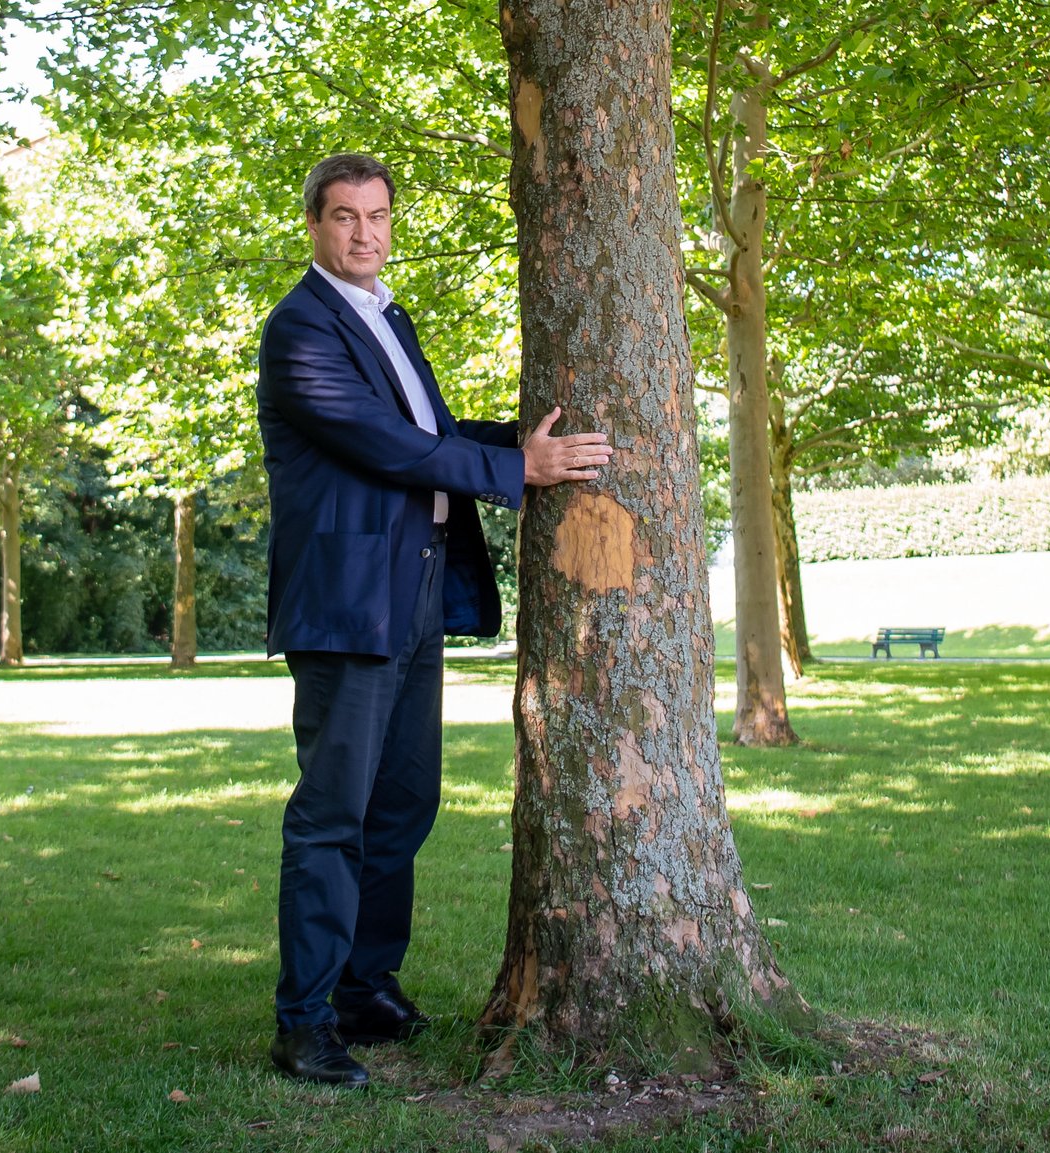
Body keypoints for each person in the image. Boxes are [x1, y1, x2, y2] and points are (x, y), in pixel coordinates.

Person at [255, 153, 612, 1087]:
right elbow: (383, 445)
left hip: (412, 596)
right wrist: (516, 476)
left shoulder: (388, 318)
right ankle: (304, 1021)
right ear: (315, 227)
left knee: (403, 804)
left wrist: (523, 445)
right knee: (333, 815)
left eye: (377, 216)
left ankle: (366, 987)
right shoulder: (300, 328)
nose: (363, 234)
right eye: (344, 218)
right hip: (344, 606)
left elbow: (434, 433)